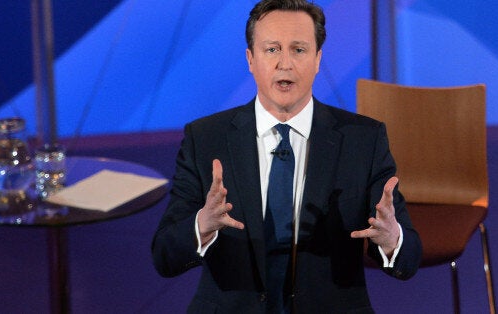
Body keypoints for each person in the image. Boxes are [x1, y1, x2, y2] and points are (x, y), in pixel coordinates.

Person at [151, 0, 422, 313]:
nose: (285, 63)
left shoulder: (363, 140)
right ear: (250, 59)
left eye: (299, 49)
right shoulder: (206, 139)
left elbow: (409, 257)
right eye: (272, 49)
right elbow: (165, 255)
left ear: (318, 59)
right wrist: (203, 224)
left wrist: (391, 238)